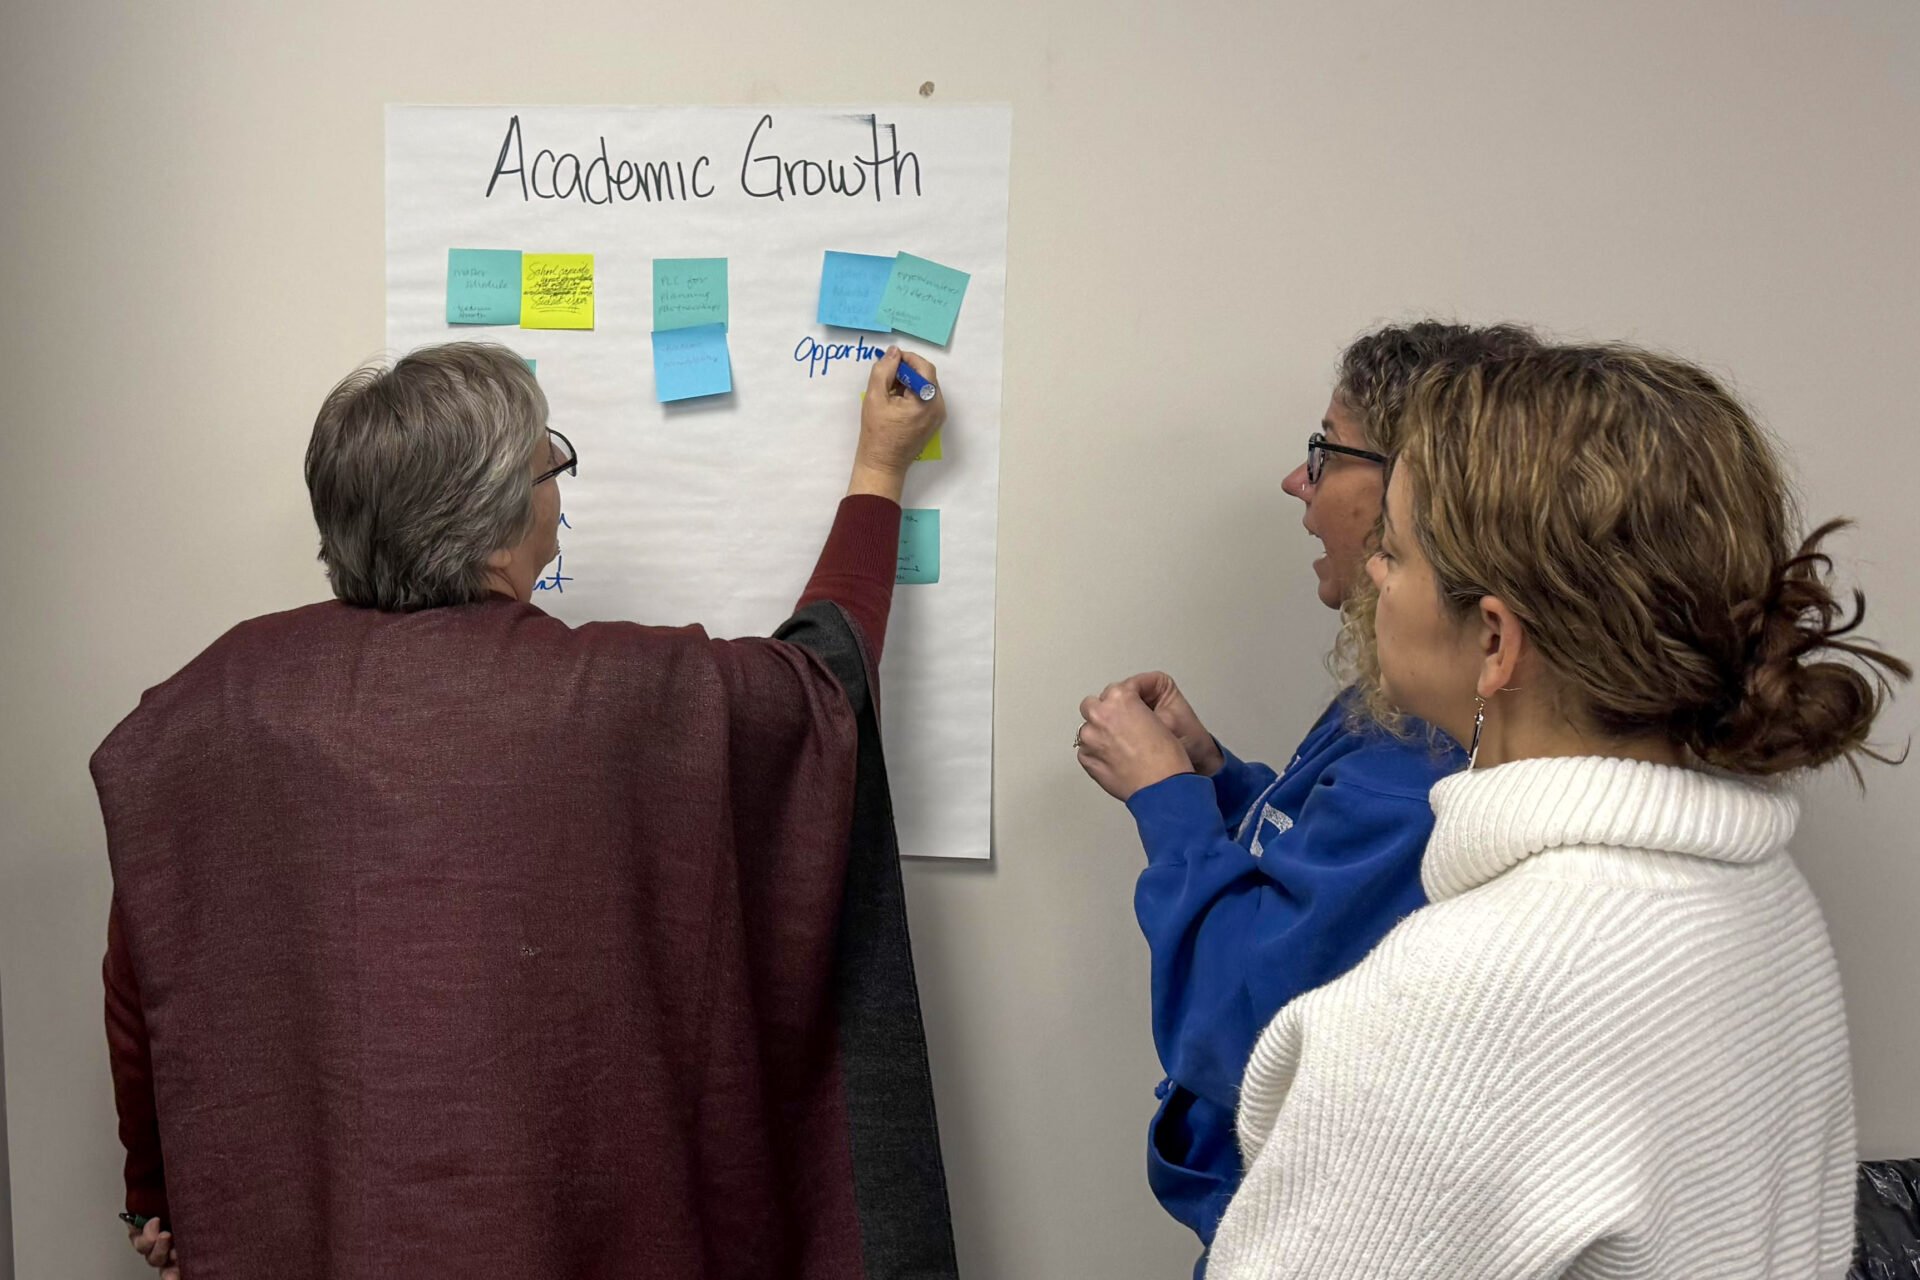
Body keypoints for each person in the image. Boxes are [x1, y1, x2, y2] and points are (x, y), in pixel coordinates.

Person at [95, 341, 959, 1280]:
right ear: (502, 519)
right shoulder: (616, 695)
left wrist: (159, 1190)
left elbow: (143, 980)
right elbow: (819, 691)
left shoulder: (210, 703)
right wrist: (878, 470)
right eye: (549, 465)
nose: (558, 489)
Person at [1206, 344, 1909, 1277]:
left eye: (1397, 552)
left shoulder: (1464, 998)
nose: (1374, 572)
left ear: (1494, 640)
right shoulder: (1763, 897)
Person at [1073, 321, 1541, 1268]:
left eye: (1325, 452)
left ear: (1424, 492)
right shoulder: (1396, 709)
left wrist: (1167, 806)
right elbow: (1317, 869)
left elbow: (1247, 1039)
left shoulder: (1434, 776)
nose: (1301, 481)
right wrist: (1217, 780)